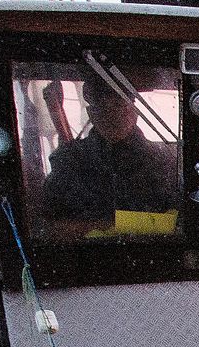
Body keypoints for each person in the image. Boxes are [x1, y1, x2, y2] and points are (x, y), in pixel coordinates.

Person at [40, 85, 180, 236]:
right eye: (103, 107)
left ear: (134, 112)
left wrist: (109, 225)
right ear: (91, 113)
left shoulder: (165, 160)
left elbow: (182, 224)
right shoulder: (67, 160)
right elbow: (50, 225)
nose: (113, 115)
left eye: (119, 105)